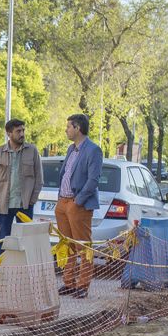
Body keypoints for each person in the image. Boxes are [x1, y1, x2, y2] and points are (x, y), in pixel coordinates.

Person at [56, 113, 102, 299]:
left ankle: (82, 286)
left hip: (78, 205)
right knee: (67, 246)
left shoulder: (93, 150)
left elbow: (93, 179)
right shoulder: (70, 149)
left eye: (69, 127)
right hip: (63, 203)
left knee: (83, 247)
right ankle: (68, 283)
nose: (66, 130)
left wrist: (78, 201)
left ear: (78, 128)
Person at [0, 118, 42, 244]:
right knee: (4, 241)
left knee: (26, 242)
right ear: (9, 134)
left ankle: (23, 265)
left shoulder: (32, 151)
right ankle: (3, 264)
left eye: (23, 130)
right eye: (18, 131)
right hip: (4, 206)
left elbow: (39, 179)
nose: (22, 134)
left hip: (25, 205)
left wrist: (32, 201)